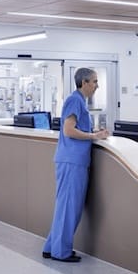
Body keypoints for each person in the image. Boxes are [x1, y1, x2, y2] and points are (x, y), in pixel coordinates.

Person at [42, 68, 110, 262]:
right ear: (84, 83)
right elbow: (69, 130)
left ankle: (51, 247)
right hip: (72, 161)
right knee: (69, 208)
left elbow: (77, 128)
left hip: (73, 160)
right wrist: (93, 136)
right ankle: (60, 252)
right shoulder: (74, 100)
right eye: (95, 81)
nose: (97, 85)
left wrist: (94, 132)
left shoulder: (80, 102)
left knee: (66, 206)